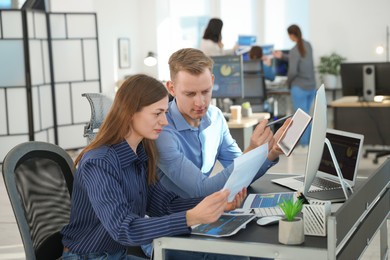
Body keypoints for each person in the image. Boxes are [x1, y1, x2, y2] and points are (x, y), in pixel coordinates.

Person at [60, 74, 247, 260]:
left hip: (115, 255)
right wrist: (191, 217)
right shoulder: (99, 162)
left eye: (165, 112)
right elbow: (125, 228)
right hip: (87, 257)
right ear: (130, 112)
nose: (165, 121)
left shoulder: (140, 155)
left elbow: (166, 205)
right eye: (158, 113)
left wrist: (217, 204)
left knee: (230, 254)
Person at [156, 48, 291, 199]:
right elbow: (201, 190)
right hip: (175, 216)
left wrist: (271, 152)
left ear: (212, 81)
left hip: (208, 209)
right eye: (190, 94)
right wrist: (252, 150)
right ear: (172, 89)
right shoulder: (161, 130)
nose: (200, 103)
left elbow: (241, 175)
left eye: (206, 91)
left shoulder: (215, 116)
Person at [273, 24, 316, 146]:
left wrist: (287, 83)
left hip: (299, 88)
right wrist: (282, 56)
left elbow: (293, 71)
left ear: (291, 35)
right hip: (311, 86)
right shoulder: (308, 45)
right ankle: (308, 144)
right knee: (307, 116)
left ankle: (303, 145)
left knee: (301, 119)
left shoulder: (294, 50)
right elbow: (300, 59)